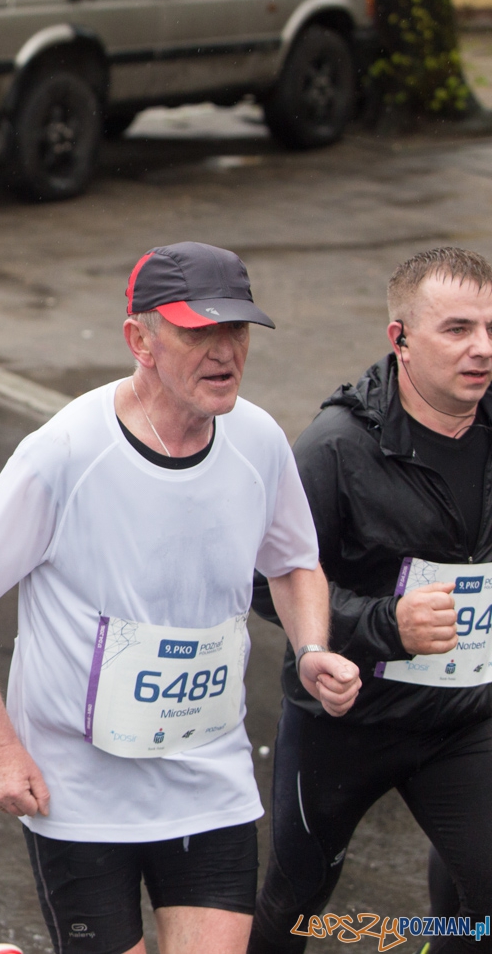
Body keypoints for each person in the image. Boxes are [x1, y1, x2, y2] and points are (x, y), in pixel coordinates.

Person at [0, 242, 363, 954]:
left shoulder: (257, 440)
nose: (224, 351)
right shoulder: (66, 450)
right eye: (199, 332)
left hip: (208, 776)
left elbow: (293, 561)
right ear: (141, 340)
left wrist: (312, 645)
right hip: (80, 791)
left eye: (237, 331)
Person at [250, 247, 492, 952]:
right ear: (401, 340)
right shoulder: (336, 447)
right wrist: (387, 623)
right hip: (346, 720)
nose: (481, 349)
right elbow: (266, 583)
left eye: (489, 327)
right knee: (295, 901)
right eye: (456, 330)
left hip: (461, 715)